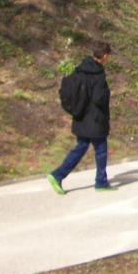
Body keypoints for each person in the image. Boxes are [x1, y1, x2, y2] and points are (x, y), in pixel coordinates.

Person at [46, 41, 115, 194]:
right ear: (104, 56)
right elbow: (98, 98)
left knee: (80, 148)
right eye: (108, 56)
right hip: (95, 120)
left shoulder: (80, 69)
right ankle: (101, 182)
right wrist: (106, 95)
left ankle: (58, 175)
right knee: (101, 150)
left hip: (81, 117)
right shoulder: (98, 74)